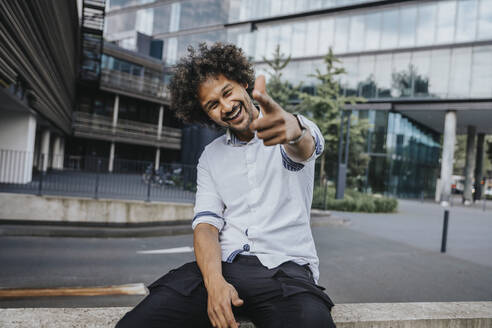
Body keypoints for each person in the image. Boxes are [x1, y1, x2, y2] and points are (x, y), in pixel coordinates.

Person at [116, 42, 336, 328]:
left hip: (286, 273)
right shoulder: (211, 155)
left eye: (227, 92)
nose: (226, 107)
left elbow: (304, 146)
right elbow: (206, 226)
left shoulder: (287, 128)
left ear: (243, 82)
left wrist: (293, 130)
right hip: (226, 267)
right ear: (205, 114)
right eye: (213, 105)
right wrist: (215, 283)